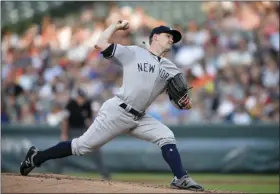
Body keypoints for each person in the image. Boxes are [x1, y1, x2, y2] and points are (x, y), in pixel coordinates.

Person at [20, 20, 204, 191]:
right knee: (81, 147)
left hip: (139, 117)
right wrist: (115, 26)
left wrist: (185, 103)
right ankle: (36, 157)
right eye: (168, 35)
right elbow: (100, 43)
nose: (172, 39)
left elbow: (180, 99)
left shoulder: (172, 68)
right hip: (117, 111)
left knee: (166, 136)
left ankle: (180, 178)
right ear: (155, 37)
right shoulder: (134, 52)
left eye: (174, 37)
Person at [56, 89, 111, 180]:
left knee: (96, 150)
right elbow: (65, 120)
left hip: (83, 130)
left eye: (83, 98)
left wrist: (92, 134)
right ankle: (56, 172)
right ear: (76, 97)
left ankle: (104, 173)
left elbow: (89, 121)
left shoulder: (87, 104)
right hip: (71, 131)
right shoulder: (71, 104)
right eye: (80, 97)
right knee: (61, 149)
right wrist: (64, 134)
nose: (81, 99)